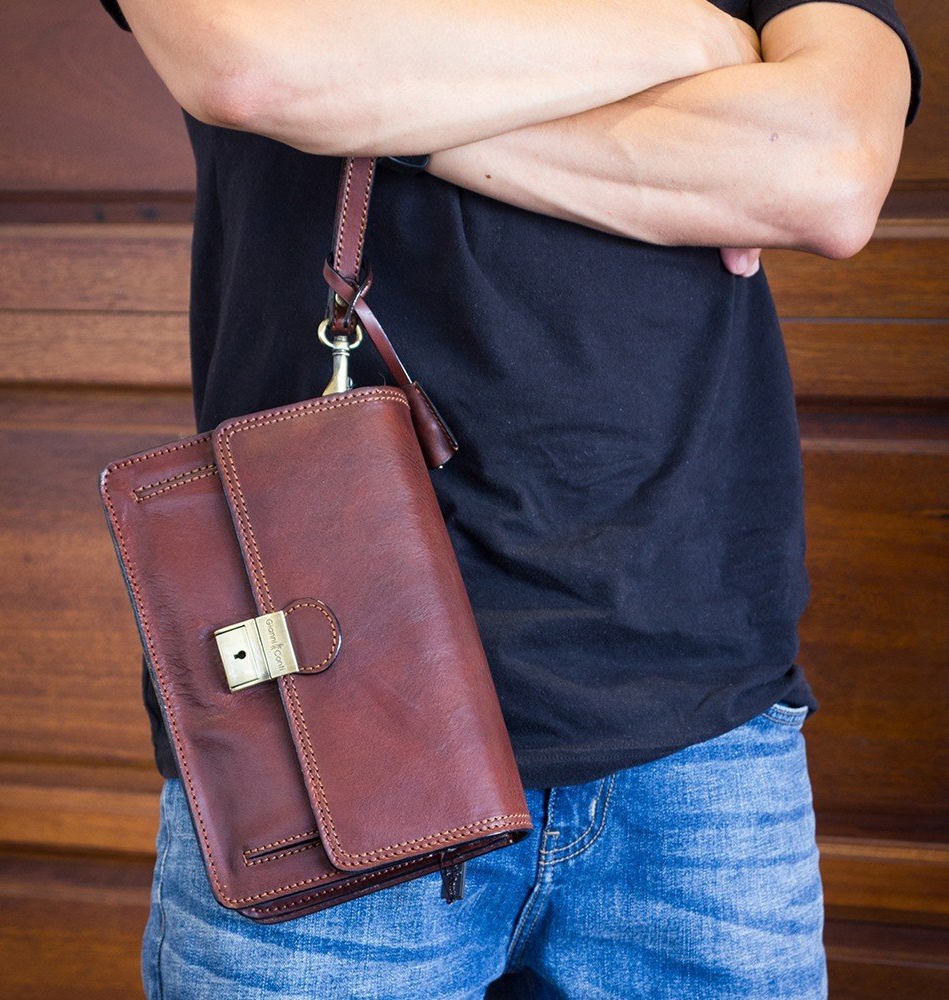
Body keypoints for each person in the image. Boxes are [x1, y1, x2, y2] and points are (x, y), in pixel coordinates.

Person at [97, 2, 922, 997]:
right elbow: (250, 67)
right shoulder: (692, 22)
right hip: (327, 736)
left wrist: (381, 108)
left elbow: (825, 173)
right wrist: (688, 37)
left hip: (705, 730)